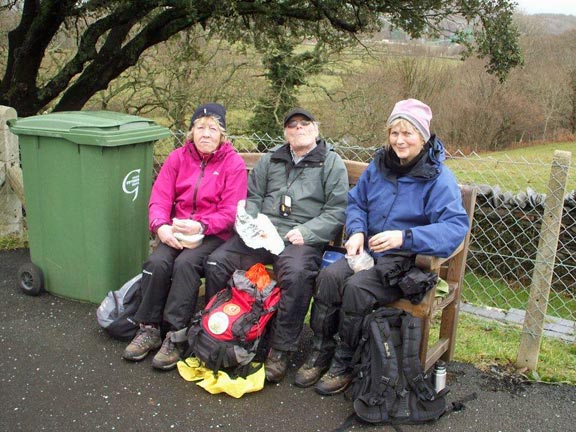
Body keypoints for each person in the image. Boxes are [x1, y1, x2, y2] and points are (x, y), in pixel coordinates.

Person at [294, 99, 470, 394]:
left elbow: (454, 229)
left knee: (357, 289)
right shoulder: (379, 167)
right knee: (328, 278)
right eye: (394, 133)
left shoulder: (438, 179)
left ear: (423, 137)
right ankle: (320, 351)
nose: (399, 141)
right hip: (369, 252)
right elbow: (357, 202)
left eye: (408, 133)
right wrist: (358, 231)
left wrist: (405, 237)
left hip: (406, 263)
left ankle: (344, 362)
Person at [204, 108, 349, 383]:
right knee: (216, 261)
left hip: (301, 238)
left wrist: (307, 231)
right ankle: (217, 331)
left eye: (304, 123)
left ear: (316, 129)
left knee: (295, 276)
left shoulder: (331, 163)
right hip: (263, 234)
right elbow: (254, 196)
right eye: (291, 125)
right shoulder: (271, 160)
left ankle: (279, 350)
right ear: (285, 133)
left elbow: (336, 211)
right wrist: (251, 223)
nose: (298, 128)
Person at [122, 102, 247, 370]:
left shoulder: (232, 163)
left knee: (186, 264)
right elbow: (160, 197)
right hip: (176, 228)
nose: (206, 133)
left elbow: (231, 211)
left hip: (213, 233)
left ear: (222, 135)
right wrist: (161, 226)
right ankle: (149, 328)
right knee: (157, 263)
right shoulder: (177, 157)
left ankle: (176, 335)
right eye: (199, 127)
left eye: (213, 128)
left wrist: (201, 226)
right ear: (190, 132)